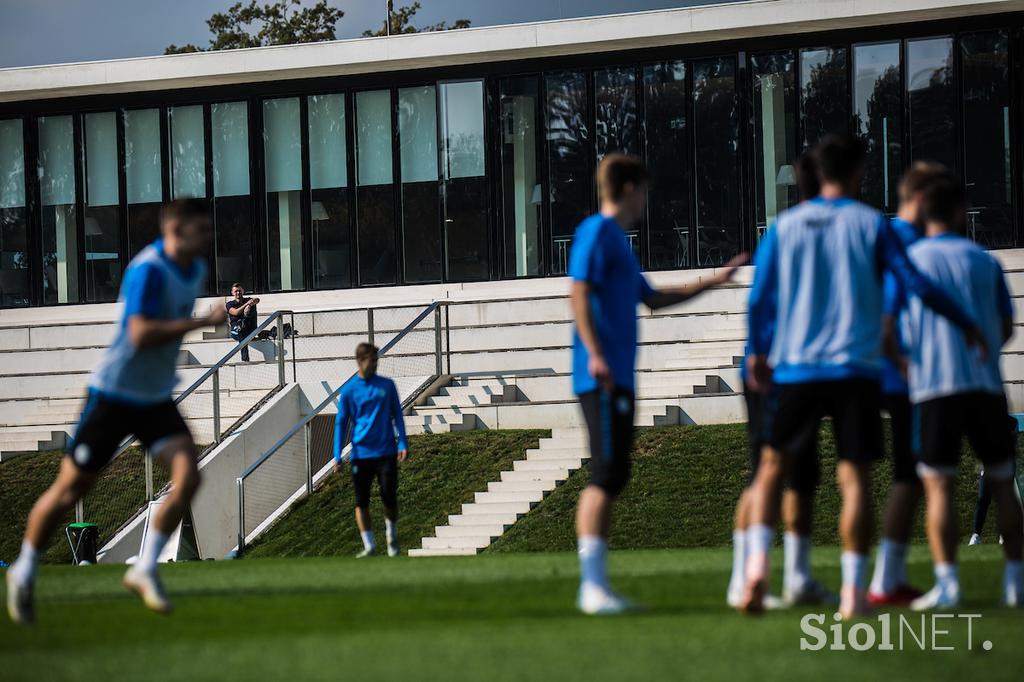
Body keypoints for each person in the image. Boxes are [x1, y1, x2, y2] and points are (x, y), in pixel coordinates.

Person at [742, 134, 985, 618]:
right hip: (855, 369)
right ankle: (854, 592)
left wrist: (757, 352)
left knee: (771, 469)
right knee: (853, 478)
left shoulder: (784, 226)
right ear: (856, 173)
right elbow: (914, 283)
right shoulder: (873, 224)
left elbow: (759, 298)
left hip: (796, 369)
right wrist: (965, 322)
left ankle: (755, 573)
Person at [6, 198, 225, 625]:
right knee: (70, 492)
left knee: (189, 474)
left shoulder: (194, 270)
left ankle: (144, 569)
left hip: (155, 397)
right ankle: (25, 569)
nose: (209, 237)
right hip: (113, 395)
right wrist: (200, 322)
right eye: (201, 229)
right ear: (176, 229)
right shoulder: (148, 269)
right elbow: (140, 333)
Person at [570, 153, 748, 615]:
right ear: (629, 188)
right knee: (605, 472)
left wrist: (715, 279)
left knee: (617, 472)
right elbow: (578, 292)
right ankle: (592, 587)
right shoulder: (596, 232)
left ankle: (598, 584)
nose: (647, 199)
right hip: (600, 375)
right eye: (644, 190)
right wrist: (593, 354)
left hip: (620, 376)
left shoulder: (619, 243)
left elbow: (653, 298)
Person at [885, 174, 1023, 610]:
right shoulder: (985, 262)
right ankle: (1015, 582)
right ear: (961, 212)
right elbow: (1005, 327)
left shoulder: (912, 261)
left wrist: (908, 364)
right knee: (1003, 481)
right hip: (984, 386)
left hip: (933, 389)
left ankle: (948, 584)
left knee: (939, 488)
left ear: (925, 210)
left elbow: (889, 329)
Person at [728, 152, 832, 609]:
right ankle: (744, 578)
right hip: (776, 370)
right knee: (766, 472)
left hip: (794, 369)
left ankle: (796, 577)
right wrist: (759, 354)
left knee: (800, 476)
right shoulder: (798, 232)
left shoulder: (795, 232)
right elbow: (760, 300)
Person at [867, 161, 947, 606]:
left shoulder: (890, 236)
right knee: (911, 473)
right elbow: (891, 314)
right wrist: (903, 364)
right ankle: (883, 579)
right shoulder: (911, 243)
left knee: (910, 474)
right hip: (902, 377)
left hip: (883, 370)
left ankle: (885, 578)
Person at [334, 343, 409, 558]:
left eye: (377, 360)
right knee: (361, 501)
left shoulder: (387, 385)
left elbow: (397, 414)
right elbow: (341, 422)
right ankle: (369, 546)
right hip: (361, 454)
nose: (376, 364)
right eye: (372, 360)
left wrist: (402, 442)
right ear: (361, 361)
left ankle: (391, 536)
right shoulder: (349, 390)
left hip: (385, 451)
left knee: (389, 497)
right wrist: (337, 454)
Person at [226, 283, 259, 361]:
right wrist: (246, 305)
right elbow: (236, 312)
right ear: (232, 293)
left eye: (239, 291)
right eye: (236, 291)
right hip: (236, 331)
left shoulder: (248, 300)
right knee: (241, 331)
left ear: (243, 291)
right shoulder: (229, 304)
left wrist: (250, 304)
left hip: (249, 328)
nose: (238, 293)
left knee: (252, 307)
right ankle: (245, 359)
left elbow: (257, 300)